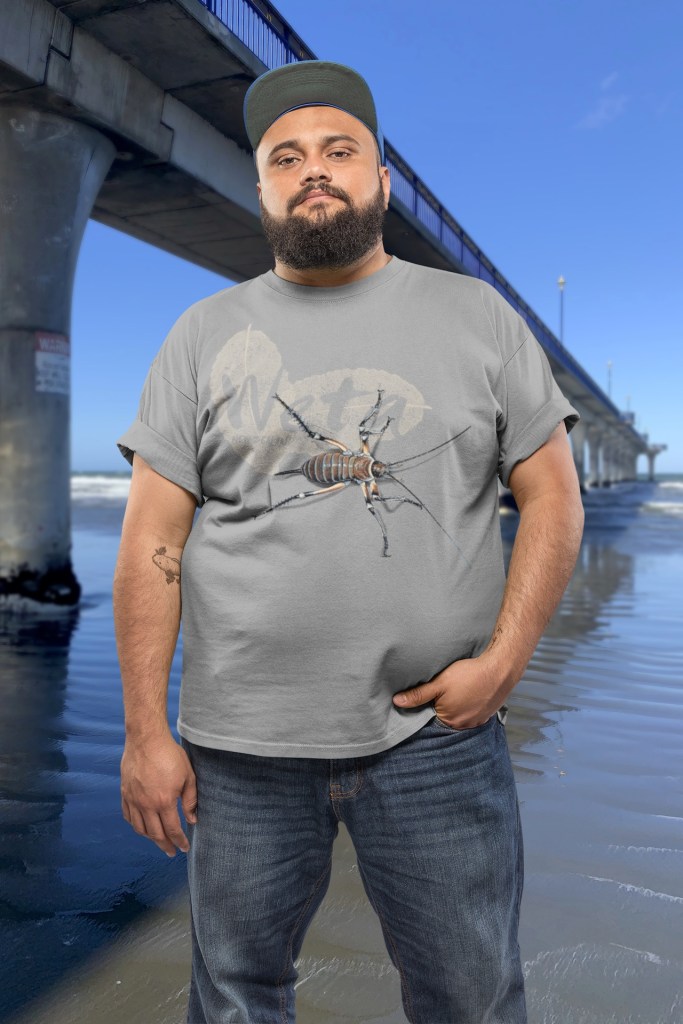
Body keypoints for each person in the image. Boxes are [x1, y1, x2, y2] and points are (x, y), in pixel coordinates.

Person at [113, 60, 584, 1024]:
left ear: (380, 178)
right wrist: (143, 732)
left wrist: (505, 663)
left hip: (433, 741)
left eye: (338, 150)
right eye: (285, 157)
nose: (311, 170)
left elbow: (554, 500)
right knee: (237, 999)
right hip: (235, 750)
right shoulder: (201, 335)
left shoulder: (476, 316)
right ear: (262, 190)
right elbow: (151, 540)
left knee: (471, 997)